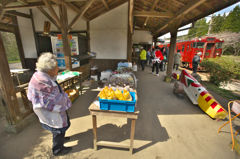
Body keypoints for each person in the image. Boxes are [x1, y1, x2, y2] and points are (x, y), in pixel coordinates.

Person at [27, 53, 72, 156]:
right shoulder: (43, 81)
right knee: (58, 128)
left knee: (61, 125)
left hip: (47, 107)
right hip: (50, 109)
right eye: (56, 66)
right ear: (49, 70)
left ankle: (61, 138)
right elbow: (56, 100)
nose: (58, 67)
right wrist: (65, 97)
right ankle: (58, 149)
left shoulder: (40, 75)